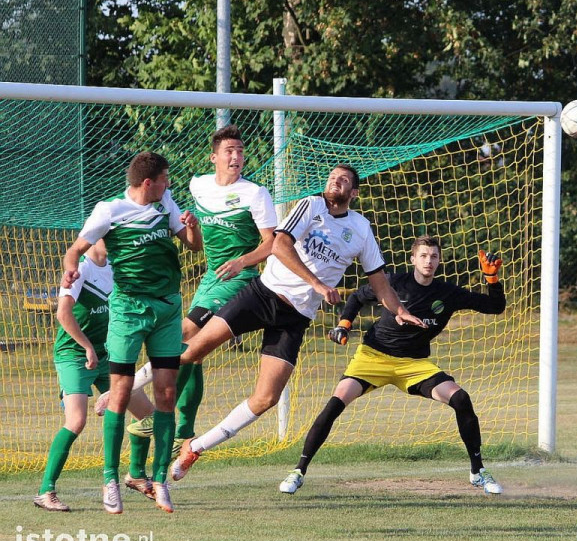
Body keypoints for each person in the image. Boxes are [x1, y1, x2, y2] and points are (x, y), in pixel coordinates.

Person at [170, 164, 424, 480]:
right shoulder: (311, 204)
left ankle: (195, 447)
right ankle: (139, 401)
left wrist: (398, 310)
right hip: (263, 294)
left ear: (353, 192)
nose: (336, 181)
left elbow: (379, 281)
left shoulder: (360, 228)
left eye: (344, 180)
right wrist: (318, 284)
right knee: (192, 349)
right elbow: (279, 245)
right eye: (332, 177)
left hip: (295, 317)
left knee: (266, 398)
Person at [98, 125, 277, 474]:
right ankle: (184, 432)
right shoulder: (198, 185)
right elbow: (159, 201)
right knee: (193, 353)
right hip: (210, 277)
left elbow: (272, 243)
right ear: (214, 157)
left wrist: (243, 260)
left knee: (183, 332)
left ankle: (126, 390)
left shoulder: (256, 194)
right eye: (229, 151)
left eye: (240, 150)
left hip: (238, 278)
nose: (236, 156)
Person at [278, 236, 507, 496]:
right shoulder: (393, 283)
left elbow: (495, 306)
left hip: (414, 365)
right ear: (413, 259)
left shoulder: (448, 293)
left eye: (433, 256)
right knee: (335, 403)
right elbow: (356, 297)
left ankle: (478, 472)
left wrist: (492, 279)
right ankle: (298, 471)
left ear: (439, 260)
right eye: (423, 255)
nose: (428, 261)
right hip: (372, 358)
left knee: (461, 398)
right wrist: (344, 324)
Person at [61, 152, 202, 514]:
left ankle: (159, 481)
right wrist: (70, 271)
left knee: (167, 393)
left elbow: (193, 245)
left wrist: (193, 227)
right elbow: (74, 250)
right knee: (120, 394)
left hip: (167, 307)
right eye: (165, 178)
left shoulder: (166, 203)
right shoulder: (109, 211)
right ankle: (110, 479)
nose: (169, 183)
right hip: (127, 310)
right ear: (147, 183)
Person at [33, 240, 153, 511]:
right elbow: (63, 314)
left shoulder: (116, 268)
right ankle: (46, 491)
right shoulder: (80, 270)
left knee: (147, 415)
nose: (117, 239)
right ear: (96, 237)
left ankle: (135, 474)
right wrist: (87, 347)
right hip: (74, 354)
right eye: (110, 234)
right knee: (76, 421)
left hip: (108, 354)